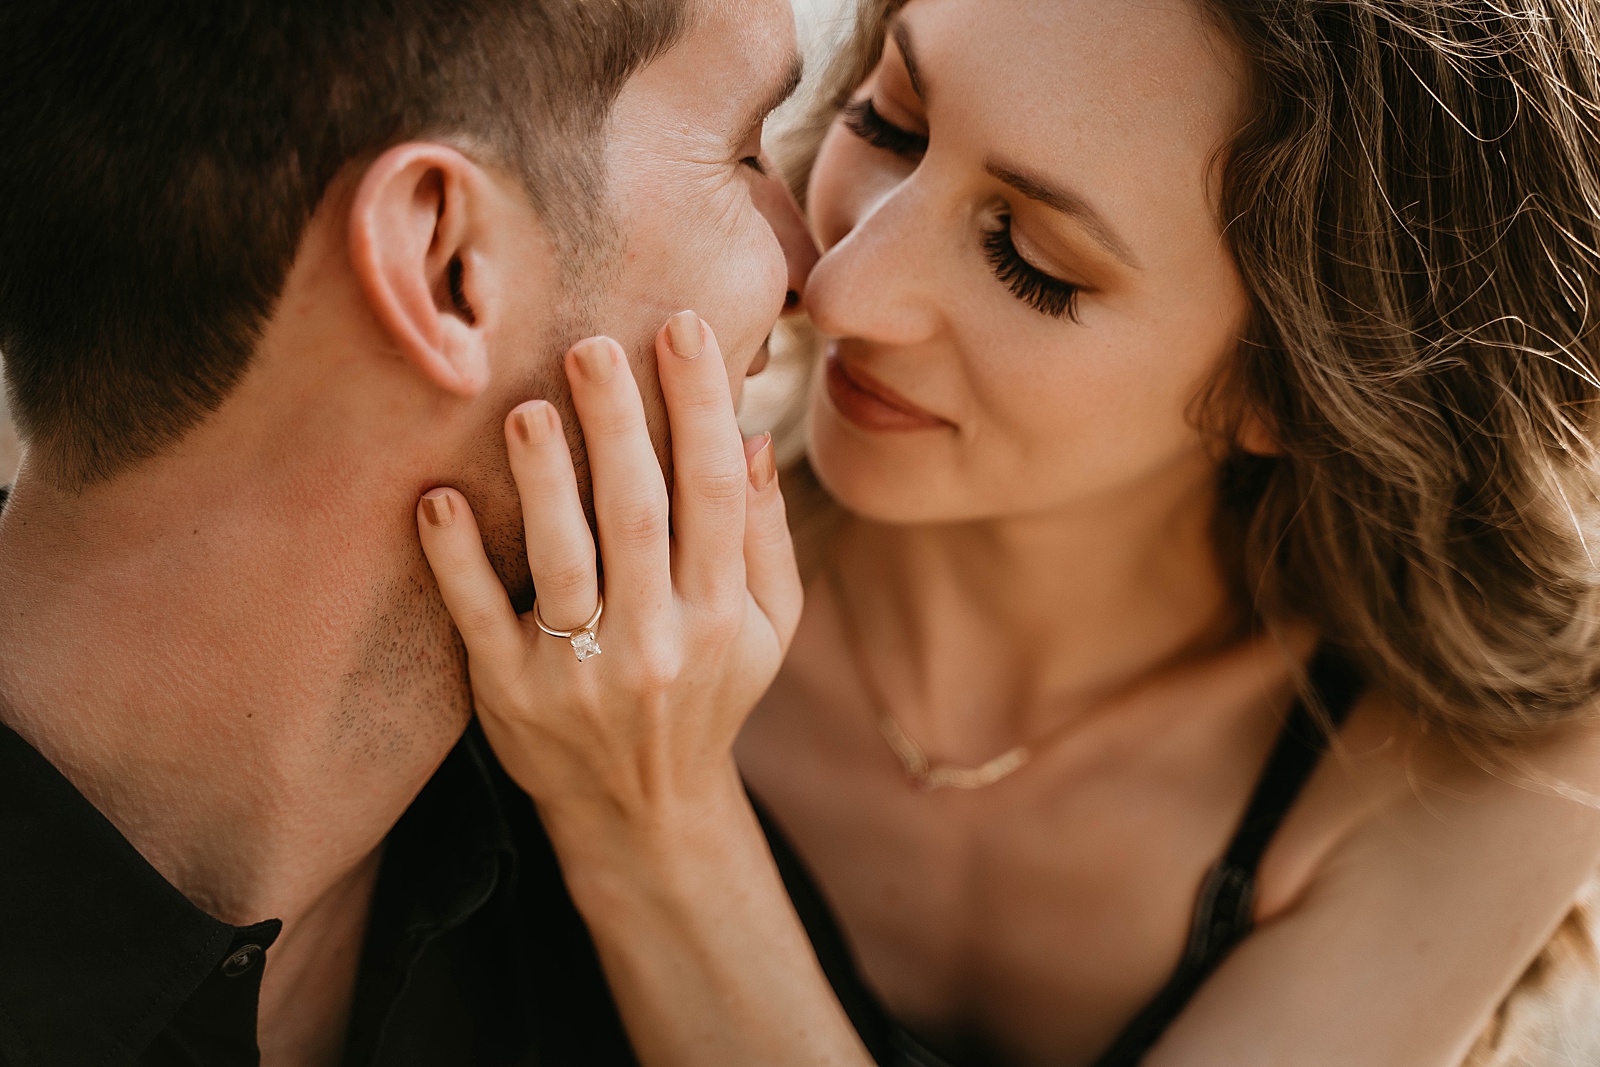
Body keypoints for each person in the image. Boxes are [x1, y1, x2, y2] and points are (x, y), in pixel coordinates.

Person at [421, 0, 1600, 1064]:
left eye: (1027, 261)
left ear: (1290, 388)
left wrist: (649, 815)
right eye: (890, 121)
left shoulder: (1478, 764)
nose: (836, 291)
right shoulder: (593, 530)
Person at [0, 0, 818, 1063]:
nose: (812, 271)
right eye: (746, 152)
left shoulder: (638, 771)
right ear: (447, 264)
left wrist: (660, 831)